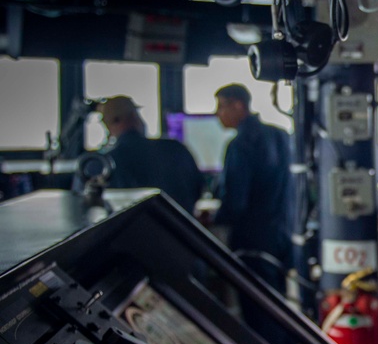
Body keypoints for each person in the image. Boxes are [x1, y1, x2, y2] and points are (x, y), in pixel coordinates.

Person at [209, 83, 295, 298]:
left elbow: (235, 201)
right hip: (283, 234)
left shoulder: (240, 145)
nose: (217, 114)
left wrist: (213, 220)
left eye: (220, 107)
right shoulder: (281, 135)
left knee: (257, 307)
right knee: (278, 304)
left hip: (252, 241)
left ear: (238, 106)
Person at [78, 95, 203, 214]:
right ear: (135, 117)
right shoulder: (176, 149)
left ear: (108, 127)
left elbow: (87, 205)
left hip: (132, 234)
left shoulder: (101, 164)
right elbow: (198, 189)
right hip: (180, 232)